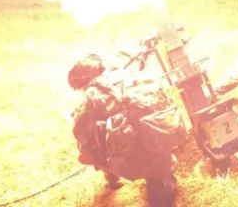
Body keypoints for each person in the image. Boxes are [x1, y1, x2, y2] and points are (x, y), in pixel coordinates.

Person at [68, 53, 186, 207]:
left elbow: (81, 132)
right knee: (160, 176)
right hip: (165, 134)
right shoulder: (132, 74)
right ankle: (161, 177)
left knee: (88, 144)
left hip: (136, 152)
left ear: (84, 79)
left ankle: (111, 175)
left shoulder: (93, 94)